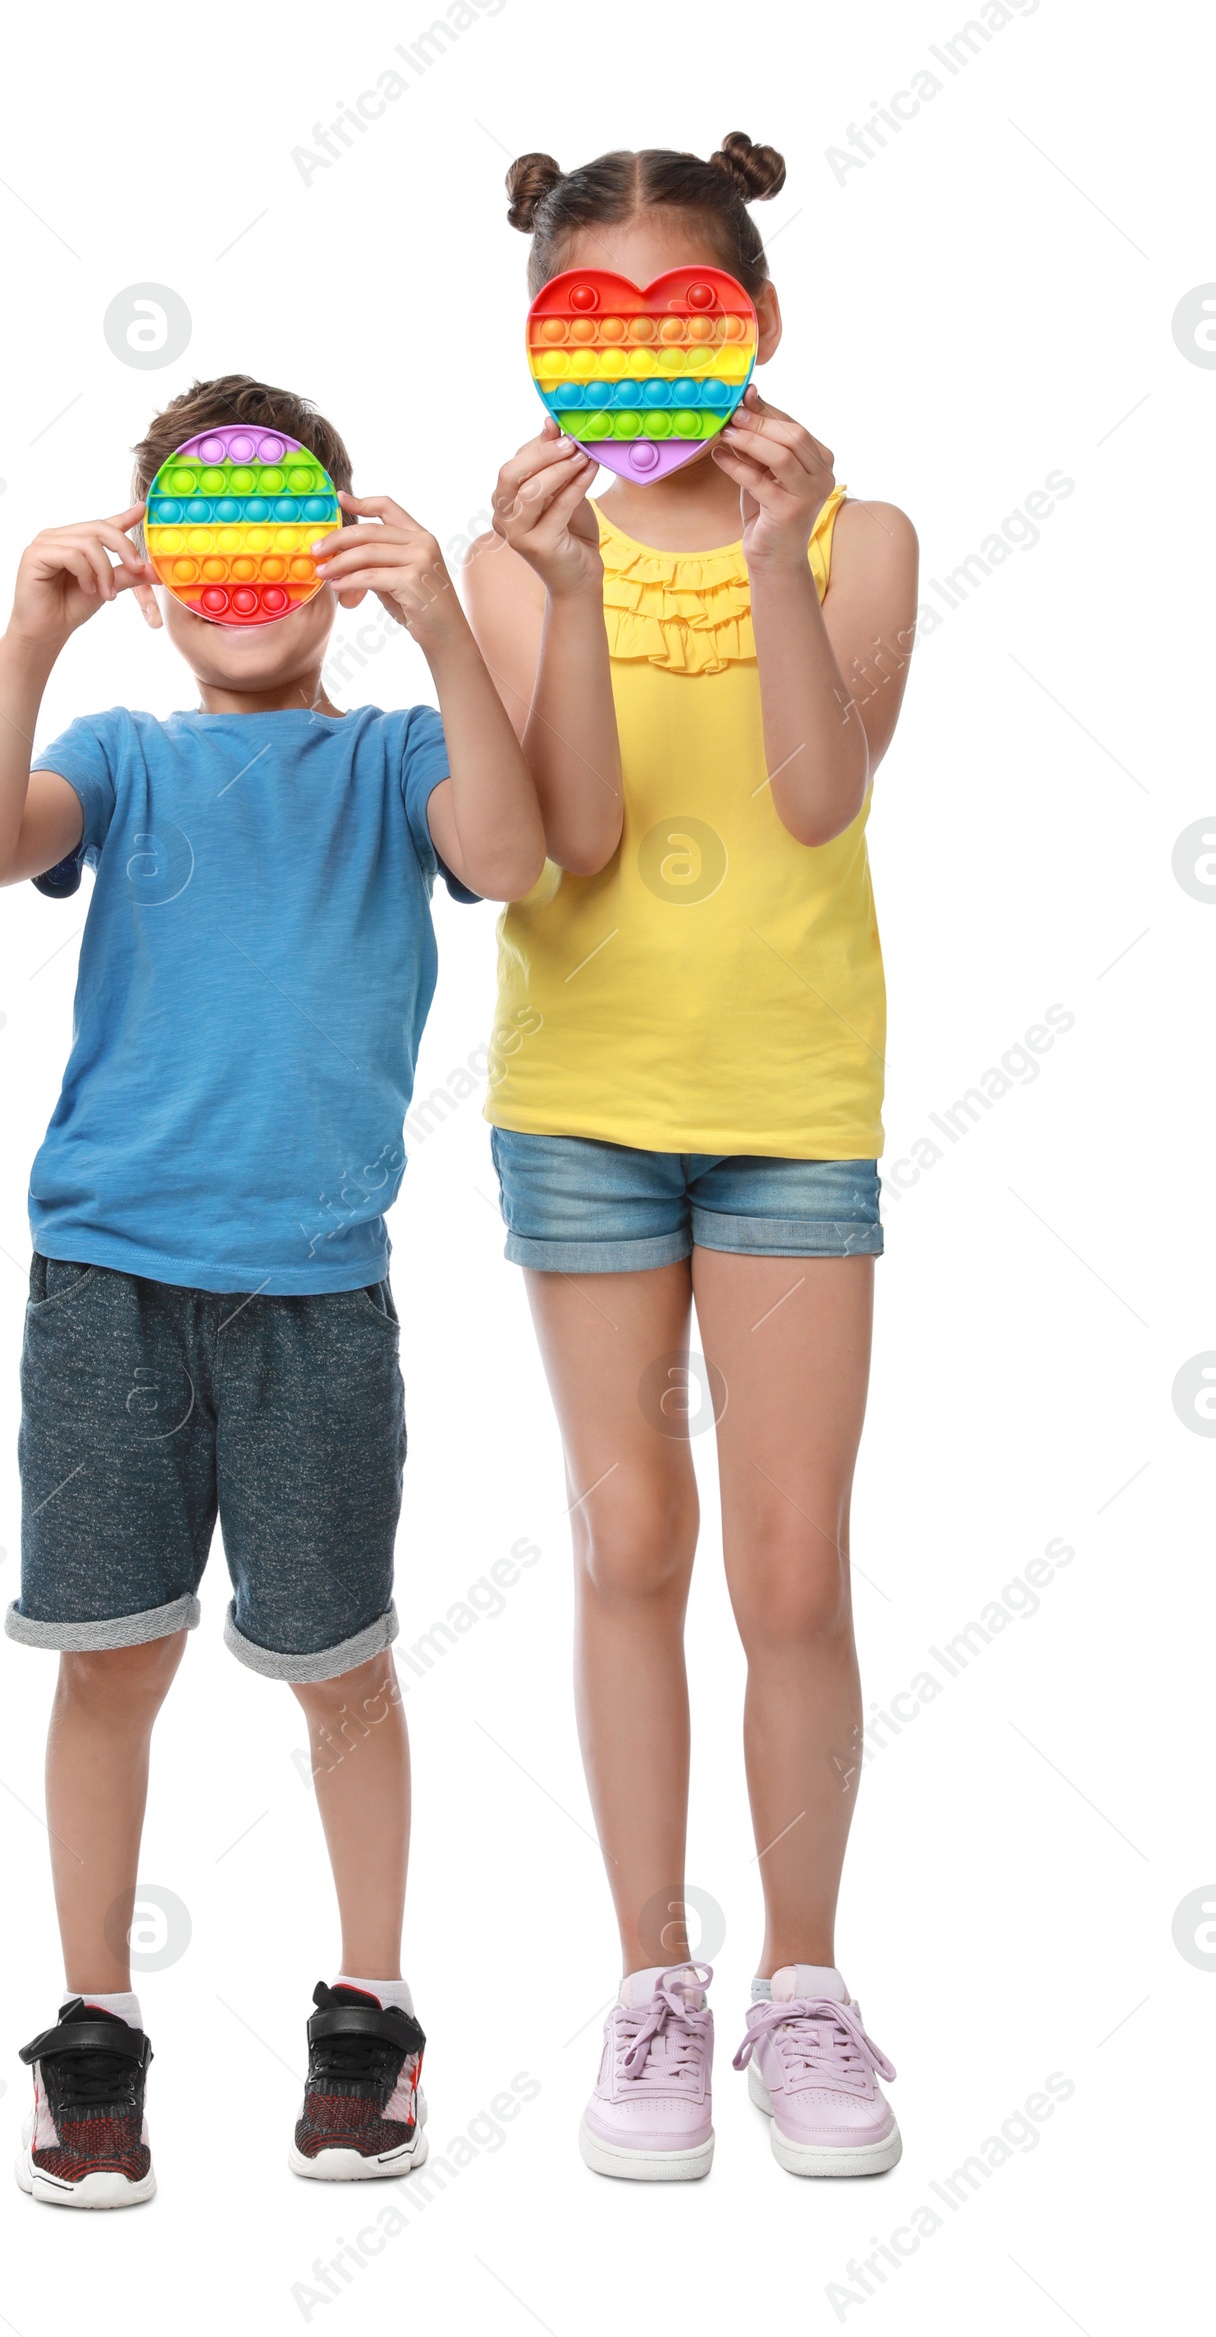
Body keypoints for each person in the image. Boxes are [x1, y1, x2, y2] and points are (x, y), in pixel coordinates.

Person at [0, 374, 543, 2206]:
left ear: (341, 553)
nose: (247, 572)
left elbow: (511, 856)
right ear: (153, 572)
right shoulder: (120, 753)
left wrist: (443, 618)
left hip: (313, 1294)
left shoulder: (393, 761)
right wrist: (26, 637)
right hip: (110, 1278)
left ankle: (371, 2007)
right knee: (108, 1656)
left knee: (337, 1662)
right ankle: (93, 2028)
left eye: (289, 531)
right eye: (204, 538)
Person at [464, 138, 918, 2181]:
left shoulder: (861, 536)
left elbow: (817, 806)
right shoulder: (508, 555)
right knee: (630, 1542)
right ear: (545, 345)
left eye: (684, 316)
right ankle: (650, 1980)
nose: (640, 362)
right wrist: (559, 592)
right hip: (583, 1100)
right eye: (593, 321)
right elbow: (555, 843)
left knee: (791, 1561)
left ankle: (799, 1982)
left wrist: (767, 552)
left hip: (789, 1108)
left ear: (751, 329)